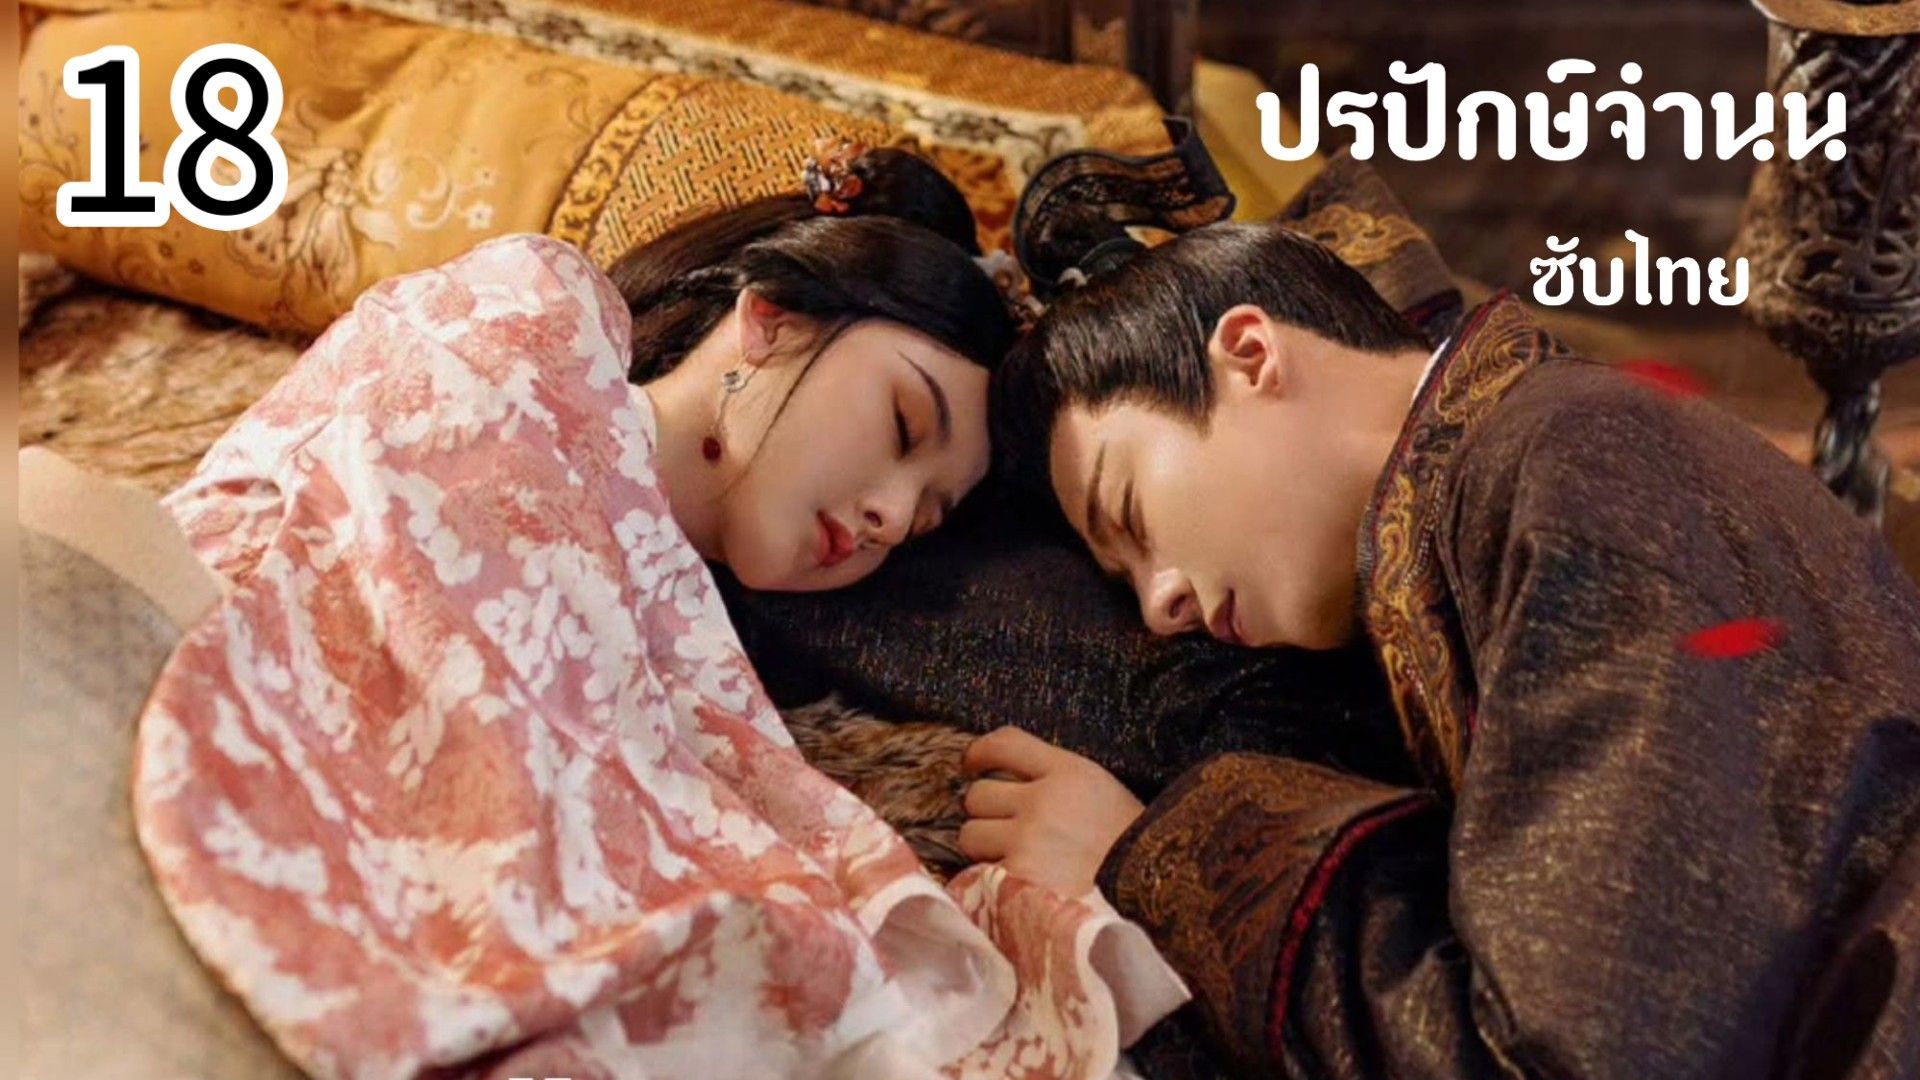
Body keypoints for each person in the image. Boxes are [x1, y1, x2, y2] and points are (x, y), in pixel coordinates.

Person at [135, 145, 1188, 1076]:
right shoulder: (530, 316)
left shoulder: (712, 661)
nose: (888, 513)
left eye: (925, 518)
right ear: (770, 321)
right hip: (179, 657)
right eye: (903, 424)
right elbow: (373, 494)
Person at [968, 220, 1920, 1077]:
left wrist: (1157, 854)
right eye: (1126, 579)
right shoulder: (1498, 500)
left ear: (1251, 354)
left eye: (1132, 514)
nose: (1160, 603)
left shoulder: (1577, 459)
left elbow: (1579, 1052)